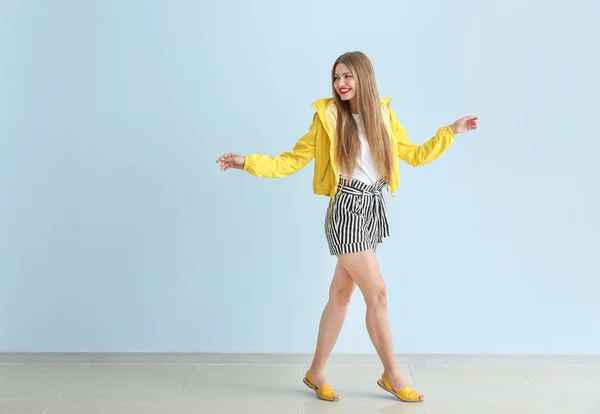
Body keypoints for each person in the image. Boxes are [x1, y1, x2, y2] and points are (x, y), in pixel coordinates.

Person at [216, 51, 478, 403]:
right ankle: (393, 375)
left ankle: (315, 372)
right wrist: (248, 162)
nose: (340, 83)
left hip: (370, 208)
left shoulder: (383, 115)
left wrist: (451, 131)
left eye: (347, 77)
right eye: (337, 77)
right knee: (379, 293)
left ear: (363, 78)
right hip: (346, 209)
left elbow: (414, 154)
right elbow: (291, 160)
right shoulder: (327, 118)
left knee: (340, 296)